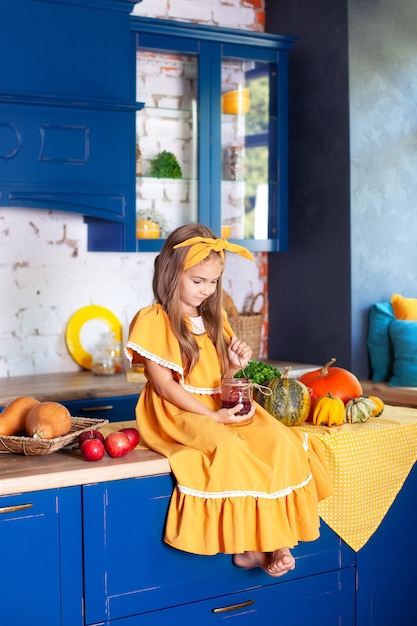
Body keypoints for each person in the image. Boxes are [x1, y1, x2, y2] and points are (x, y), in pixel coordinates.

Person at [125, 223, 332, 577]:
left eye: (213, 281)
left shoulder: (214, 320)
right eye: (197, 281)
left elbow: (222, 382)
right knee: (230, 448)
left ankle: (274, 538)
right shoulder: (153, 319)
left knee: (281, 442)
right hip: (177, 412)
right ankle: (253, 546)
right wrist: (213, 418)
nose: (206, 290)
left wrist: (234, 367)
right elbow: (164, 388)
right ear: (171, 273)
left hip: (215, 407)